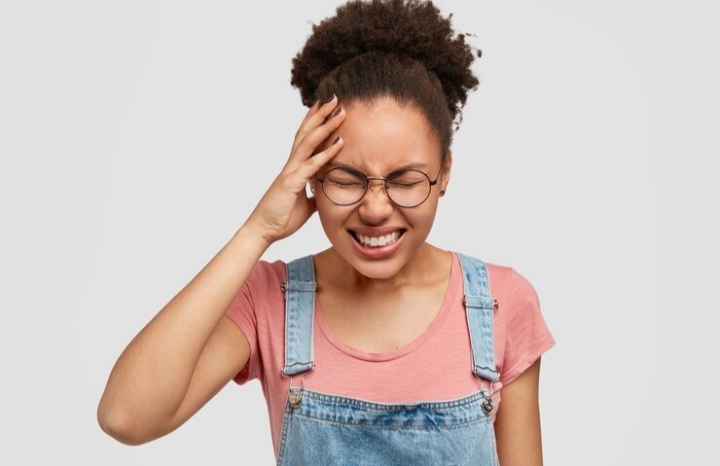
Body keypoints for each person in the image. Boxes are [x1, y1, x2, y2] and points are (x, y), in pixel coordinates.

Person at [97, 0, 555, 464]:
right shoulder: (270, 301)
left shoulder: (500, 304)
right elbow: (126, 416)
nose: (375, 208)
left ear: (445, 171)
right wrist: (259, 229)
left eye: (406, 180)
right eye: (345, 179)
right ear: (311, 177)